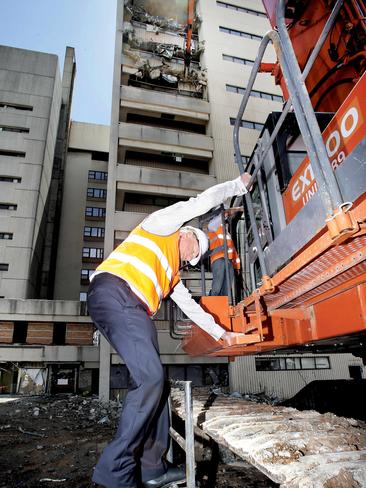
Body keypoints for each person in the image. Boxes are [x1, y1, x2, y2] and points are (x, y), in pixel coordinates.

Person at [87, 173, 251, 488]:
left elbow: (192, 309)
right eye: (195, 250)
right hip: (115, 292)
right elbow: (202, 202)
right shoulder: (161, 226)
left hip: (127, 308)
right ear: (186, 233)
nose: (192, 259)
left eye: (195, 259)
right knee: (150, 379)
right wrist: (237, 186)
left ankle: (152, 469)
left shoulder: (171, 275)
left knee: (155, 383)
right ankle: (116, 473)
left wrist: (223, 335)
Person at [208, 212, 240, 297]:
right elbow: (212, 224)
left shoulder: (227, 235)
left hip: (229, 262)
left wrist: (237, 266)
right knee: (217, 288)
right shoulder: (213, 227)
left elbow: (234, 252)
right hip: (219, 259)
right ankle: (213, 302)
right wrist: (225, 213)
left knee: (226, 291)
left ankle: (224, 307)